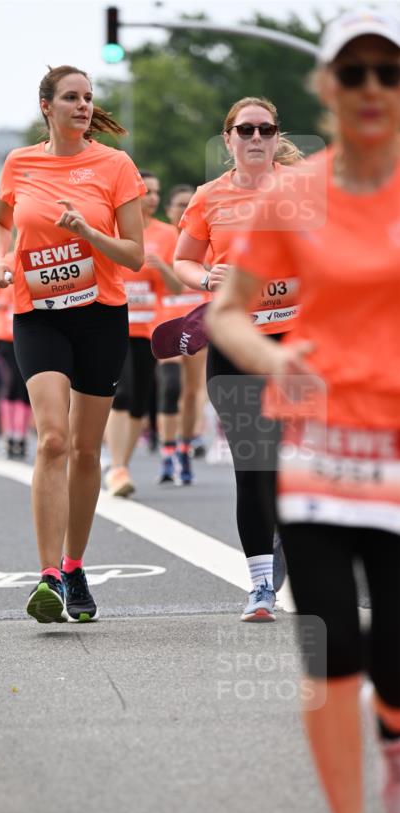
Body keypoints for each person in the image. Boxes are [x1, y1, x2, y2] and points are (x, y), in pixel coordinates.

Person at [207, 7, 400, 813]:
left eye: (386, 73)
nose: (369, 88)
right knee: (330, 645)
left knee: (392, 652)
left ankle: (391, 735)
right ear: (326, 87)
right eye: (351, 73)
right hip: (316, 449)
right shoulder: (293, 196)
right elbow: (226, 312)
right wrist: (271, 359)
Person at [0, 64, 145, 623]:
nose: (83, 106)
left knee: (84, 448)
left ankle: (75, 565)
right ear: (47, 107)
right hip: (39, 316)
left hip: (100, 314)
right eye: (71, 97)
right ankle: (48, 574)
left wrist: (88, 233)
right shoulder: (20, 163)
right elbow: (0, 224)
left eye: (88, 97)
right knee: (52, 438)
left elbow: (135, 256)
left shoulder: (115, 165)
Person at [175, 97, 301, 621]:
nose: (255, 138)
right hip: (233, 340)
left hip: (295, 339)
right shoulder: (209, 197)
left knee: (294, 462)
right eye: (245, 130)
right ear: (227, 139)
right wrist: (207, 277)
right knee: (252, 465)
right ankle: (261, 586)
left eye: (265, 130)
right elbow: (183, 260)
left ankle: (294, 541)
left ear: (276, 137)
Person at [105, 171, 182, 497]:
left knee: (138, 401)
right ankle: (117, 466)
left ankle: (122, 464)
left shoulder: (168, 235)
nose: (152, 197)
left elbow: (177, 288)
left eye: (156, 192)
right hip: (115, 325)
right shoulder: (113, 230)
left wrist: (162, 267)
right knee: (120, 394)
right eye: (146, 191)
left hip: (150, 329)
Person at [156, 184, 210, 484]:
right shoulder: (161, 238)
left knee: (191, 391)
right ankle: (167, 452)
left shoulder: (207, 238)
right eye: (179, 204)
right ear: (169, 210)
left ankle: (185, 449)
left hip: (198, 321)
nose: (184, 209)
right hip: (168, 321)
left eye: (189, 204)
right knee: (171, 385)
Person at [0, 276, 33, 459]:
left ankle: (21, 436)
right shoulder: (3, 273)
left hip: (28, 336)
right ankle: (9, 435)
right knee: (10, 383)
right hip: (5, 338)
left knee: (26, 386)